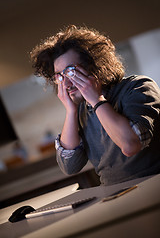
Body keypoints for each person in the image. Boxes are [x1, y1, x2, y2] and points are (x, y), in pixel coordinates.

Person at [30, 25, 160, 185]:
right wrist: (71, 111)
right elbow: (70, 167)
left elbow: (130, 145)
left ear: (95, 66)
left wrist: (97, 100)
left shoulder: (138, 86)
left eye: (71, 71)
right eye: (60, 76)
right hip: (113, 194)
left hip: (152, 184)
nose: (67, 83)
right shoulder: (81, 109)